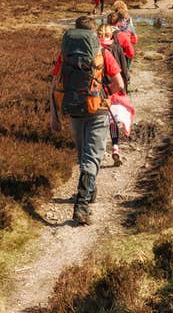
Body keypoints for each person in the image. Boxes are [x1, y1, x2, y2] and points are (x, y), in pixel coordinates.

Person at [50, 16, 124, 225]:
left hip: (74, 109)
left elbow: (54, 85)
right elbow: (119, 83)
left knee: (83, 155)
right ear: (93, 35)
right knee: (92, 157)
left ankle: (89, 192)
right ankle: (81, 207)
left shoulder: (65, 56)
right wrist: (104, 93)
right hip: (98, 110)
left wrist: (54, 116)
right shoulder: (103, 53)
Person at [97, 24, 134, 166]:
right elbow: (124, 71)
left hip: (99, 89)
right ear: (110, 35)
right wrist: (124, 88)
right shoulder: (117, 48)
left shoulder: (96, 50)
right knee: (113, 120)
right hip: (115, 88)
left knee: (100, 120)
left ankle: (98, 150)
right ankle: (115, 147)